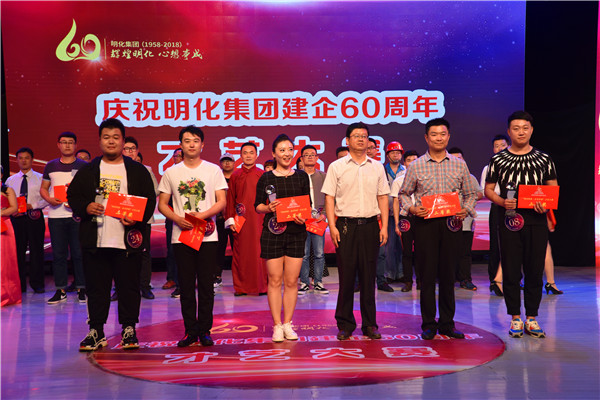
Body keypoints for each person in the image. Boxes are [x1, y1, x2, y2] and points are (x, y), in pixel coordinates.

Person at [67, 118, 156, 351]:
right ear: (99, 141)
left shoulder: (136, 170)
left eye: (116, 137)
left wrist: (136, 218)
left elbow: (149, 200)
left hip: (127, 240)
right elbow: (73, 196)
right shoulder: (88, 170)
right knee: (97, 288)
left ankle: (129, 329)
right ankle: (96, 330)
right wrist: (86, 207)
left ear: (123, 141)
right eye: (106, 137)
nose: (111, 141)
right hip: (96, 240)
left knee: (129, 287)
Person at [399, 118, 477, 340]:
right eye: (434, 134)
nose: (439, 138)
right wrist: (412, 208)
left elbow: (472, 193)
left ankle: (447, 323)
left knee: (448, 275)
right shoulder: (416, 165)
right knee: (427, 275)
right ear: (426, 137)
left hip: (451, 224)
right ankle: (428, 324)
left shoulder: (459, 164)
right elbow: (403, 193)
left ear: (448, 136)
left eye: (443, 134)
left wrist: (466, 209)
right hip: (425, 225)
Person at [484, 111, 558, 339]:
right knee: (511, 268)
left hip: (536, 221)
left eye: (525, 128)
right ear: (509, 131)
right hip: (509, 220)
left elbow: (553, 188)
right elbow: (488, 189)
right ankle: (515, 317)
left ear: (532, 130)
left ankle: (532, 318)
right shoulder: (498, 160)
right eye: (516, 128)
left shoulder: (544, 159)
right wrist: (501, 201)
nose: (521, 132)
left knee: (534, 269)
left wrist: (545, 204)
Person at [158, 125, 227, 348]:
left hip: (207, 235)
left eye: (195, 141)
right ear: (181, 144)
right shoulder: (171, 172)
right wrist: (177, 219)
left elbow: (222, 201)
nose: (191, 144)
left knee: (206, 285)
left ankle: (205, 330)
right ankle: (190, 331)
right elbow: (162, 204)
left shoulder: (213, 170)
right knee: (186, 286)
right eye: (187, 141)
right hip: (182, 235)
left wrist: (203, 216)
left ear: (202, 144)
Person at [322, 122, 389, 341]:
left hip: (370, 225)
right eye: (356, 136)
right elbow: (329, 198)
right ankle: (345, 324)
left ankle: (370, 324)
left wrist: (384, 226)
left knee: (369, 277)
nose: (361, 139)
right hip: (345, 226)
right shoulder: (336, 166)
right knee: (347, 277)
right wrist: (332, 226)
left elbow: (382, 197)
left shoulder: (377, 166)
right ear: (347, 140)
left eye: (364, 136)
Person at [255, 134, 310, 342]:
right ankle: (277, 325)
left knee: (292, 281)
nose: (287, 154)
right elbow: (257, 206)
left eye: (290, 149)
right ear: (274, 154)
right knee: (275, 280)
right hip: (273, 233)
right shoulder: (266, 178)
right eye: (282, 150)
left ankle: (288, 323)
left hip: (296, 233)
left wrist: (303, 217)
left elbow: (307, 206)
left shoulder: (301, 176)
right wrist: (268, 208)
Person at [40, 132, 88, 304]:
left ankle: (82, 288)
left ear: (75, 145)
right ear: (58, 144)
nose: (67, 145)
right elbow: (43, 188)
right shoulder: (50, 165)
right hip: (56, 215)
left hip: (76, 216)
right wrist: (49, 199)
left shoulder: (83, 166)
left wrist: (78, 203)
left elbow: (88, 189)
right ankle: (60, 290)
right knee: (59, 254)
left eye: (70, 142)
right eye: (64, 142)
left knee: (78, 253)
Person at [224, 143, 267, 296]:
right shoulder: (235, 175)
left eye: (251, 152)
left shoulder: (262, 175)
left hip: (260, 220)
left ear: (256, 155)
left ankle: (262, 287)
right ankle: (241, 287)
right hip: (240, 221)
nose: (248, 155)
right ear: (241, 155)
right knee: (241, 254)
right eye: (245, 153)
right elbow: (230, 200)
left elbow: (268, 199)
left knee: (260, 253)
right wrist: (230, 219)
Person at [6, 147, 48, 294]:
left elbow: (46, 199)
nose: (23, 161)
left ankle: (37, 284)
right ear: (17, 160)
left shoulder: (41, 178)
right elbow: (6, 200)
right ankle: (20, 284)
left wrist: (32, 206)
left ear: (32, 160)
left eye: (27, 158)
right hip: (17, 219)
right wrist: (12, 210)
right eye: (21, 158)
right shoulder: (10, 180)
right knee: (18, 252)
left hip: (34, 216)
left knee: (37, 251)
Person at [122, 136, 159, 300]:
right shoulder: (115, 170)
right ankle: (120, 288)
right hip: (120, 217)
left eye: (132, 149)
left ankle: (145, 286)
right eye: (126, 149)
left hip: (142, 216)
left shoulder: (146, 170)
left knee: (144, 252)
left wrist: (138, 202)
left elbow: (155, 191)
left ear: (137, 151)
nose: (129, 152)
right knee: (121, 253)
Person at [448, 147, 484, 291]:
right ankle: (448, 278)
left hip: (466, 220)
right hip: (448, 221)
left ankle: (465, 279)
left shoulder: (470, 177)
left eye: (459, 158)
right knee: (448, 252)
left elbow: (480, 193)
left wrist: (467, 200)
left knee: (465, 252)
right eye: (454, 158)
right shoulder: (444, 177)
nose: (457, 161)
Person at [480, 134, 510, 296]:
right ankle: (494, 279)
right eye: (497, 146)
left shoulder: (515, 165)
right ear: (493, 149)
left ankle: (513, 278)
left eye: (503, 145)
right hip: (498, 207)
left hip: (515, 207)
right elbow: (485, 190)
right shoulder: (489, 168)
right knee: (496, 244)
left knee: (513, 244)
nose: (500, 148)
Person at [297, 145, 328, 295]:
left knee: (319, 253)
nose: (310, 157)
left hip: (318, 220)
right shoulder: (296, 176)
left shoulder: (323, 176)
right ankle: (304, 282)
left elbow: (330, 197)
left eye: (312, 154)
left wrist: (325, 214)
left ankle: (318, 282)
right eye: (306, 155)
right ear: (301, 159)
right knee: (303, 254)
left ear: (317, 158)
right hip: (302, 220)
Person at [391, 150, 420, 292]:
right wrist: (397, 223)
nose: (412, 162)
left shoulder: (424, 176)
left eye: (415, 159)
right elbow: (396, 202)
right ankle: (408, 281)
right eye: (409, 160)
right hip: (406, 218)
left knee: (422, 251)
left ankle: (421, 281)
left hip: (422, 217)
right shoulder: (399, 180)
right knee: (407, 251)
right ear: (404, 163)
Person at [382, 141, 405, 290]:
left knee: (402, 245)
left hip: (403, 212)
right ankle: (389, 274)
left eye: (398, 153)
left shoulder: (406, 170)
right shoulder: (382, 171)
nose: (396, 155)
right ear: (387, 155)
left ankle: (401, 273)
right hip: (387, 213)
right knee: (389, 245)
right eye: (393, 152)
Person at [162, 147, 183, 295]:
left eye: (181, 156)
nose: (179, 158)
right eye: (176, 156)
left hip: (190, 217)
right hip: (172, 217)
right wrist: (173, 214)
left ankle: (188, 279)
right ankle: (171, 278)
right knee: (171, 250)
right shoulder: (169, 174)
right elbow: (164, 200)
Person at [1, 166, 21, 306]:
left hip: (4, 225)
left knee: (5, 262)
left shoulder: (7, 190)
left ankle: (6, 294)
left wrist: (1, 213)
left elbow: (14, 207)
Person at [215, 153, 235, 288]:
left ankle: (240, 275)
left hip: (235, 218)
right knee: (219, 248)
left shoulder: (237, 177)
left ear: (234, 163)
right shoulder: (217, 178)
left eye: (229, 161)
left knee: (237, 248)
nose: (227, 163)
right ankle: (217, 276)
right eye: (224, 161)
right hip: (220, 218)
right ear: (220, 163)